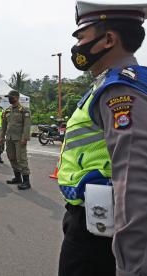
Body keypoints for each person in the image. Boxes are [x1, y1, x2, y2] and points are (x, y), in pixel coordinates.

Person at [57, 2, 147, 276]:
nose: (77, 47)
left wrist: (132, 267)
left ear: (109, 39)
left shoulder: (119, 89)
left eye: (82, 38)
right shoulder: (109, 84)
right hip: (93, 218)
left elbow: (133, 179)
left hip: (99, 231)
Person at [0, 90, 31, 190]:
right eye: (8, 97)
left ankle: (26, 181)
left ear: (16, 97)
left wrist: (25, 138)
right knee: (11, 157)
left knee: (21, 159)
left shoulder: (24, 110)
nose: (9, 99)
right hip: (9, 139)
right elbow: (3, 126)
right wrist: (0, 137)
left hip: (19, 139)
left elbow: (27, 125)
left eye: (10, 97)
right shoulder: (7, 110)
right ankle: (17, 178)